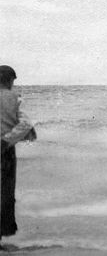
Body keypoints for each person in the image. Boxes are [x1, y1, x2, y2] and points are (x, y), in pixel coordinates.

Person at [0, 66, 36, 243]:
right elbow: (25, 124)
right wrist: (7, 140)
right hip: (5, 150)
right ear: (9, 81)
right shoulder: (15, 98)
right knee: (5, 193)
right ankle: (3, 233)